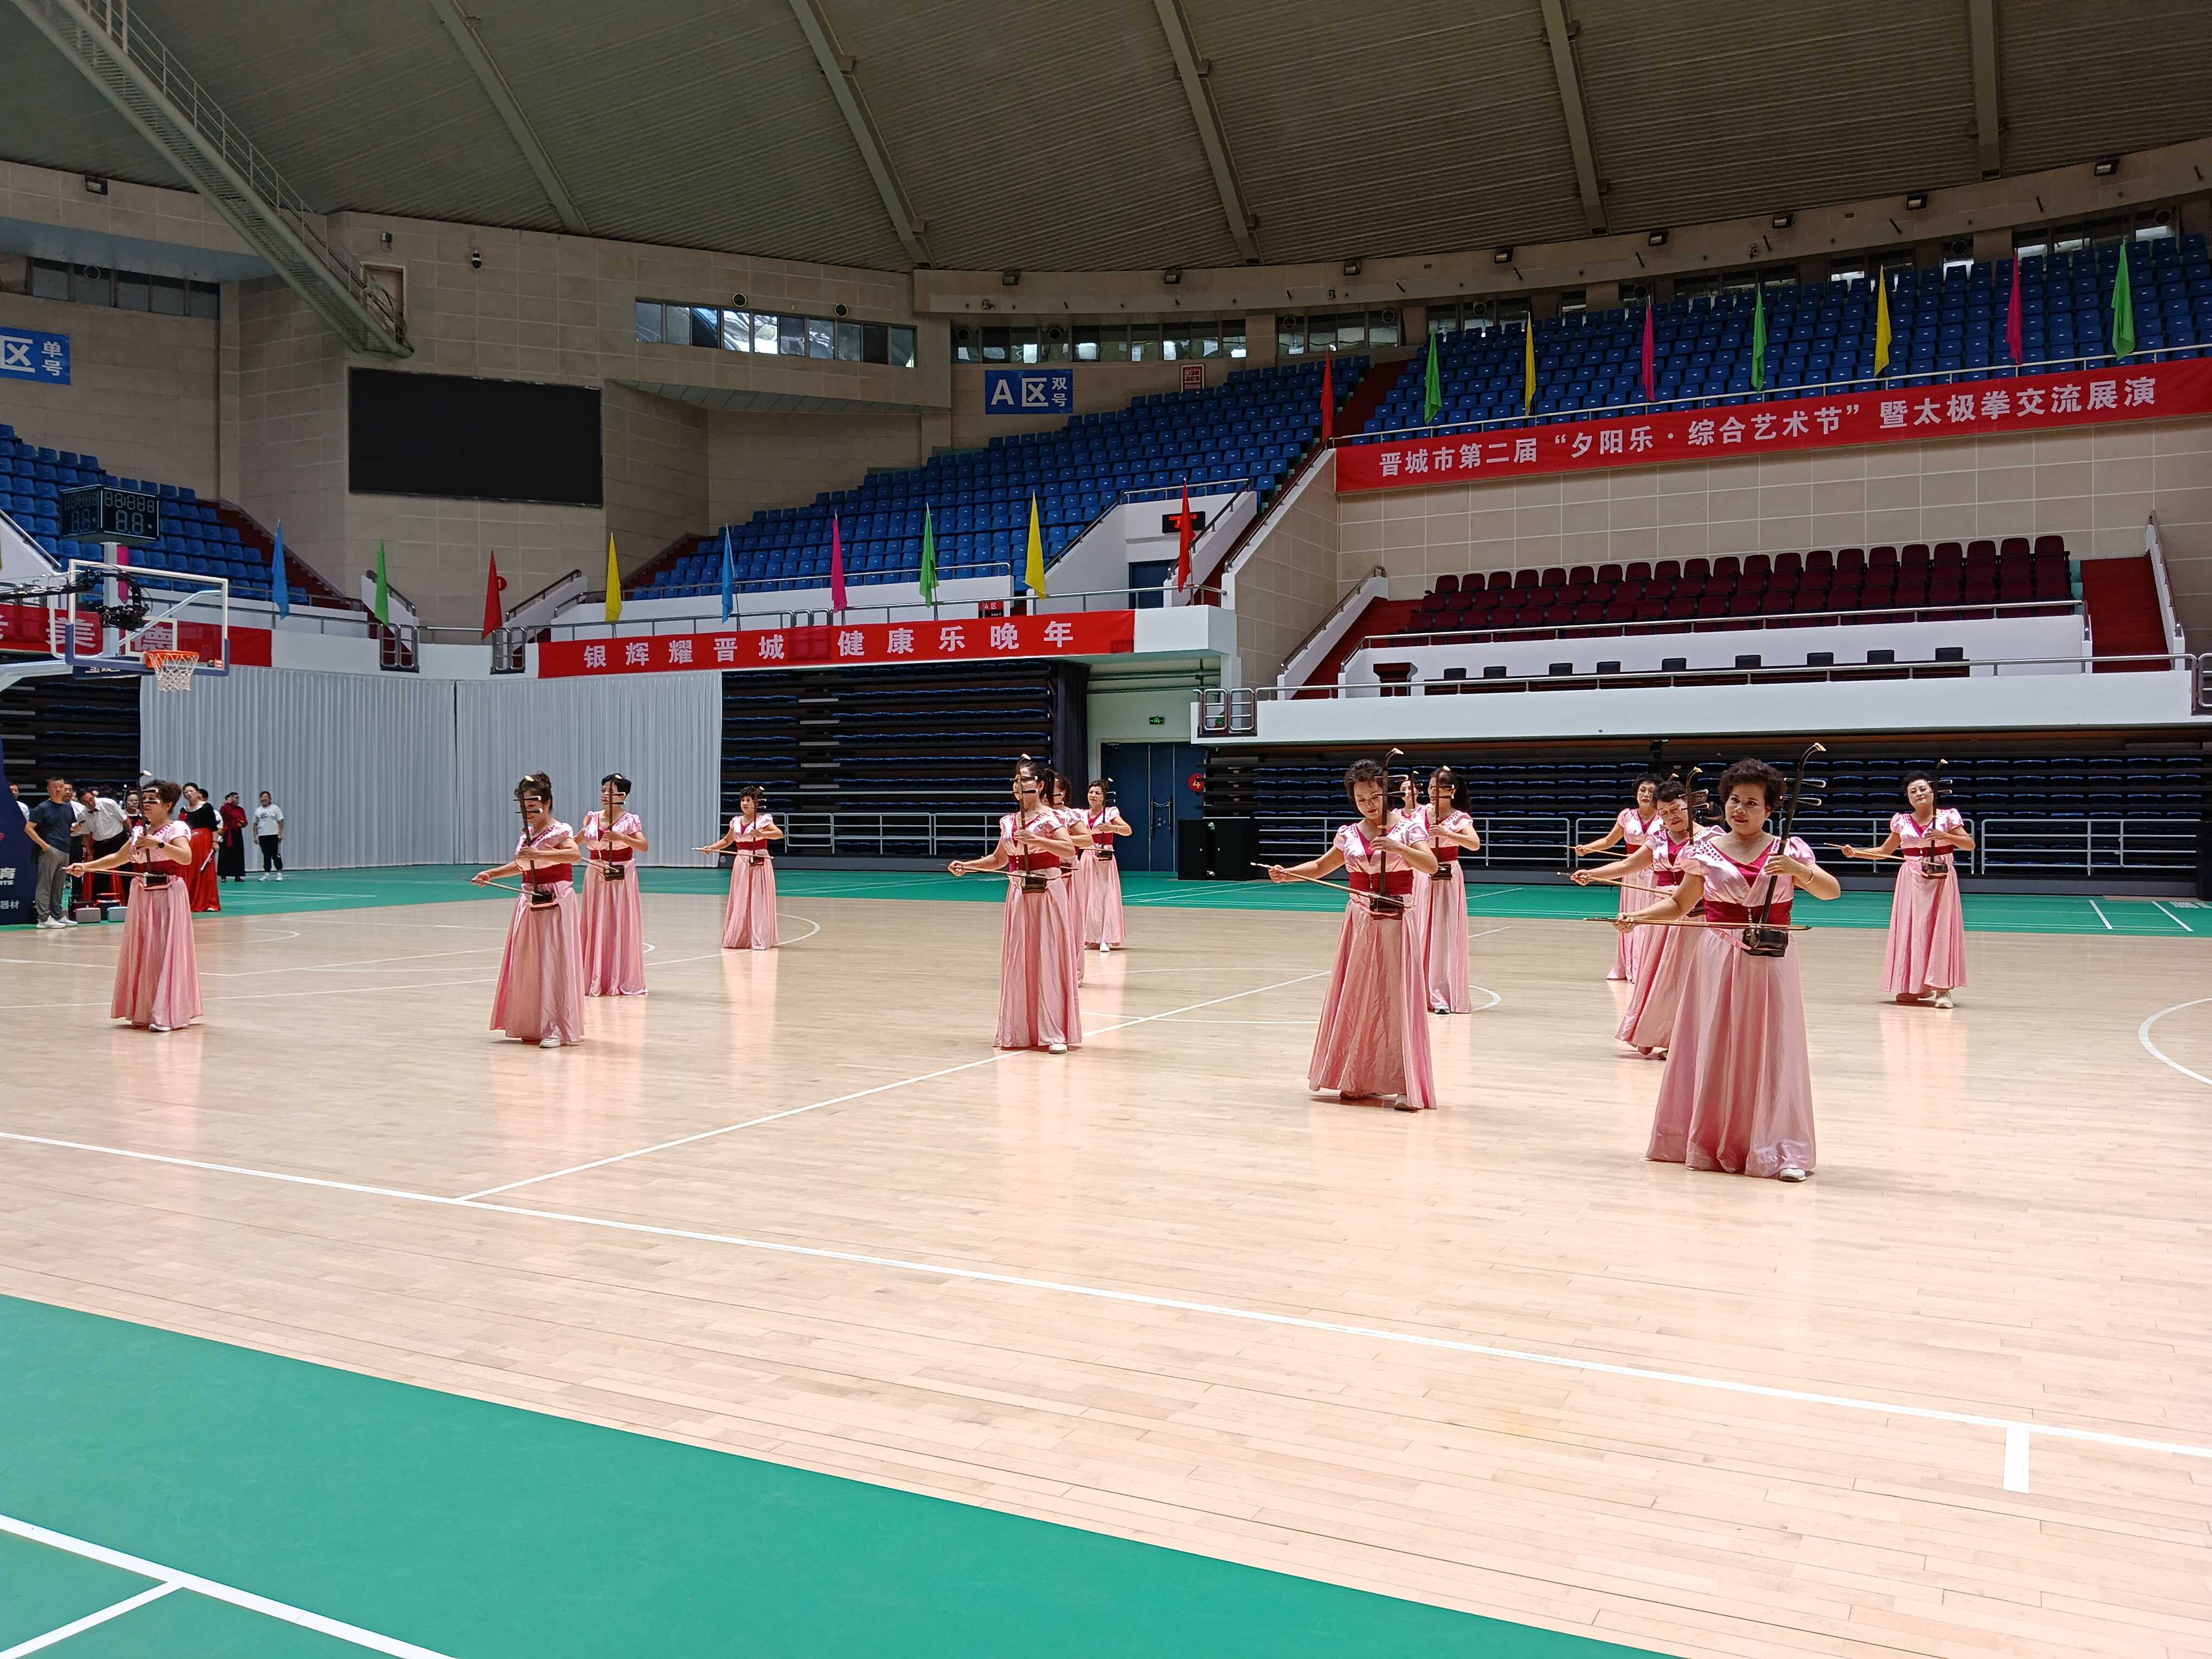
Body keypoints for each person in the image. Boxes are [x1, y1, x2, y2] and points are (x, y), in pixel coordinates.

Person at [1624, 758, 1840, 1181]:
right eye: (1734, 800)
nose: (1740, 809)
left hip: (1770, 961)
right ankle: (1708, 1139)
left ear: (1769, 809)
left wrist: (1800, 871)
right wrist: (1638, 917)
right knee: (1714, 1043)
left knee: (1773, 1047)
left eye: (1752, 803)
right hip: (1718, 957)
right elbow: (1680, 904)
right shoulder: (1702, 852)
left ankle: (1779, 1147)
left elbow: (1831, 892)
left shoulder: (1790, 850)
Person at [1269, 757, 1441, 1111]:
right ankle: (1359, 1078)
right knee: (1358, 999)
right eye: (1361, 799)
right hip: (1360, 922)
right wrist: (1289, 873)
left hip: (1396, 921)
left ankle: (1404, 1083)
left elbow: (1430, 865)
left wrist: (1399, 848)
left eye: (1374, 797)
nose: (1369, 804)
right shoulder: (1349, 833)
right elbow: (1322, 866)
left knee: (1396, 1001)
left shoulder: (1409, 829)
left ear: (1386, 793)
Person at [948, 759, 1083, 1053]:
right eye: (1016, 780)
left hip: (1048, 892)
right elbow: (999, 860)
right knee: (1020, 958)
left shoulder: (1051, 818)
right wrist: (968, 866)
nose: (1018, 785)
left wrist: (1037, 840)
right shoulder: (1008, 822)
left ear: (1040, 785)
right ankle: (1020, 1029)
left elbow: (1069, 849)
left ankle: (1054, 1032)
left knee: (1048, 956)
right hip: (1019, 895)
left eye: (1024, 779)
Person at [1577, 777, 1707, 1057]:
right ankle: (1668, 1037)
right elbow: (1628, 865)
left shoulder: (1711, 839)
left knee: (1690, 979)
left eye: (1676, 810)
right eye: (1664, 813)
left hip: (1696, 919)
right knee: (1663, 980)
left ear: (1690, 806)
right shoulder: (1659, 838)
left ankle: (1692, 1041)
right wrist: (1593, 874)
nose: (1671, 817)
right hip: (1662, 914)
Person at [67, 779, 200, 1031]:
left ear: (168, 805)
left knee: (164, 951)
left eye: (153, 800)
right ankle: (148, 1009)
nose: (146, 804)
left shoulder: (177, 828)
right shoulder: (140, 830)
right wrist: (86, 866)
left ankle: (168, 1013)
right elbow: (119, 858)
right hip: (142, 895)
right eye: (144, 799)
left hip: (168, 895)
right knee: (145, 951)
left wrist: (159, 844)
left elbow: (186, 858)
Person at [1840, 771, 1972, 1009]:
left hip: (1941, 881)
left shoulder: (1948, 817)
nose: (1919, 794)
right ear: (1908, 797)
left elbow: (1970, 845)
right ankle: (1914, 986)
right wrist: (1857, 852)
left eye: (1923, 789)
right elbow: (1884, 852)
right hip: (1911, 880)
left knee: (1941, 930)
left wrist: (1944, 835)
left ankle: (1943, 989)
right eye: (1913, 791)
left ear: (1932, 792)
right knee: (1912, 931)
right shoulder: (1901, 821)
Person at [473, 771, 584, 1049]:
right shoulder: (528, 834)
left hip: (555, 901)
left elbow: (575, 855)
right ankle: (532, 1023)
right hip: (529, 900)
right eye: (524, 807)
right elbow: (523, 864)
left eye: (533, 806)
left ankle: (555, 1026)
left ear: (547, 803)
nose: (528, 812)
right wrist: (492, 874)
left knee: (553, 962)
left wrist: (541, 854)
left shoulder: (560, 831)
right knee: (529, 962)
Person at [1410, 767, 1483, 1015]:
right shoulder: (1419, 814)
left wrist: (1447, 833)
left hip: (1448, 875)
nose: (1433, 793)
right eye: (1430, 788)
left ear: (1451, 791)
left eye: (1439, 788)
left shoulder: (1459, 817)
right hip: (1422, 874)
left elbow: (1474, 844)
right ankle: (1417, 992)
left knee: (1444, 932)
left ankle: (1442, 994)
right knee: (1419, 929)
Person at [1575, 774, 1662, 981]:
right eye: (1642, 790)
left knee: (1650, 918)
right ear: (1636, 794)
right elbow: (1608, 841)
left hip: (1656, 874)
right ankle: (1631, 966)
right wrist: (1587, 848)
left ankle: (1648, 969)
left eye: (1651, 791)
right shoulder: (1626, 816)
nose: (1646, 795)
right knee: (1629, 917)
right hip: (1630, 874)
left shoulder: (1664, 816)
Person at [578, 771, 648, 996]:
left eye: (611, 792)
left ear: (623, 796)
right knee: (595, 920)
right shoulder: (591, 818)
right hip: (595, 873)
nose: (605, 795)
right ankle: (592, 974)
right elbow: (576, 841)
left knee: (617, 921)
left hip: (620, 874)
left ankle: (617, 976)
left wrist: (622, 838)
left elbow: (643, 846)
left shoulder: (630, 820)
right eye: (603, 791)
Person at [699, 786, 781, 950]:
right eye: (743, 800)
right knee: (741, 898)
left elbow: (779, 834)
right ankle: (740, 937)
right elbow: (727, 841)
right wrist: (712, 847)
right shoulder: (736, 821)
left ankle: (759, 937)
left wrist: (763, 834)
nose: (745, 803)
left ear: (756, 803)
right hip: (741, 862)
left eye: (749, 800)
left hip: (758, 860)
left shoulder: (764, 820)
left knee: (757, 898)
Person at [1045, 769, 1092, 985]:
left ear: (1062, 793)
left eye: (1052, 791)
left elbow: (1087, 839)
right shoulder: (1039, 816)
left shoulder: (1070, 816)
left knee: (1070, 922)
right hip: (1045, 875)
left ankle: (1073, 972)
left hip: (1068, 873)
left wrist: (1062, 842)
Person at [1081, 781, 1132, 953]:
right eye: (1091, 792)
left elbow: (1128, 830)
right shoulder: (1081, 815)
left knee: (1105, 896)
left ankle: (1106, 938)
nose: (1093, 796)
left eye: (1097, 793)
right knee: (1089, 897)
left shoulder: (1110, 813)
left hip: (1105, 859)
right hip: (1088, 856)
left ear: (1104, 797)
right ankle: (1092, 937)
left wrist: (1112, 828)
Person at [23, 777, 78, 930]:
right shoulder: (42, 808)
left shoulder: (68, 807)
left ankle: (58, 915)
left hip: (65, 849)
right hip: (50, 849)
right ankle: (43, 918)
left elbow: (67, 827)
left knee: (59, 886)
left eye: (61, 787)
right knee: (45, 885)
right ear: (48, 789)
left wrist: (74, 830)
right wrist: (44, 845)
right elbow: (28, 828)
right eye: (55, 787)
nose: (58, 790)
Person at [78, 785, 130, 909]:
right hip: (101, 844)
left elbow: (125, 820)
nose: (90, 803)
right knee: (100, 874)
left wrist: (133, 838)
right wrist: (89, 851)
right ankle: (100, 905)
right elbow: (85, 834)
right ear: (81, 803)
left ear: (94, 796)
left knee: (127, 872)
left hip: (119, 840)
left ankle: (130, 901)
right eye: (86, 802)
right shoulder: (82, 814)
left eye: (91, 799)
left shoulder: (109, 803)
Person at [179, 784, 220, 914]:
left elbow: (213, 827)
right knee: (190, 870)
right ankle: (191, 901)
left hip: (205, 841)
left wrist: (215, 842)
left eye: (191, 791)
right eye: (186, 792)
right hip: (190, 842)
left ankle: (210, 903)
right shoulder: (184, 810)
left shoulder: (207, 807)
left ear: (197, 792)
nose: (189, 794)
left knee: (205, 871)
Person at [217, 791, 250, 882]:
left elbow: (245, 821)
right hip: (227, 833)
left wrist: (242, 824)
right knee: (224, 854)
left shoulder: (240, 810)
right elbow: (221, 816)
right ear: (230, 798)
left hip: (237, 833)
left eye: (238, 798)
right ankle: (223, 876)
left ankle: (238, 875)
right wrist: (227, 804)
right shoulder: (225, 808)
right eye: (235, 798)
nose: (237, 800)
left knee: (238, 854)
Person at [252, 791, 285, 879]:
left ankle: (279, 873)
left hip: (273, 835)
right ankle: (267, 873)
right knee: (266, 855)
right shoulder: (258, 810)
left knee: (275, 855)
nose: (264, 798)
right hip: (263, 835)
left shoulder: (275, 808)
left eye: (266, 797)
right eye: (262, 797)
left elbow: (281, 821)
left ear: (270, 799)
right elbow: (255, 824)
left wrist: (280, 833)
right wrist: (255, 836)